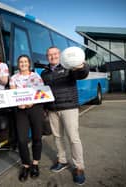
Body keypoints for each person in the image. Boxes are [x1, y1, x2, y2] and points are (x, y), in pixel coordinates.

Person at [41, 46, 89, 185]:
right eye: (50, 55)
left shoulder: (69, 67)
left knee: (73, 138)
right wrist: (45, 107)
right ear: (47, 57)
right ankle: (62, 161)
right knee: (57, 137)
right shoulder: (44, 73)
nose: (53, 56)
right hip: (52, 109)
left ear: (60, 55)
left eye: (55, 54)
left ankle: (79, 167)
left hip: (68, 107)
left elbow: (82, 73)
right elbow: (44, 92)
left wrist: (81, 65)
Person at [9, 54, 45, 182]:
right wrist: (19, 103)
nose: (23, 64)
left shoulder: (36, 77)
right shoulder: (13, 78)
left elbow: (41, 92)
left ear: (29, 64)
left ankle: (35, 163)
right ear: (18, 64)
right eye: (21, 62)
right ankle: (25, 165)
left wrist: (32, 102)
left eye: (25, 62)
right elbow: (12, 93)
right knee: (22, 139)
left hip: (35, 109)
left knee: (37, 137)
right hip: (20, 111)